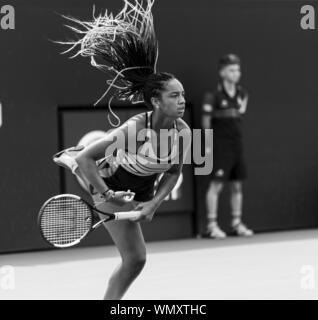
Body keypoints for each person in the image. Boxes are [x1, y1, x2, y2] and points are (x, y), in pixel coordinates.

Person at [53, 0, 191, 300]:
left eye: (183, 95)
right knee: (136, 258)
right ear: (156, 101)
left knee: (136, 261)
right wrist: (105, 194)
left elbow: (174, 171)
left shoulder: (183, 132)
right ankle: (71, 161)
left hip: (140, 188)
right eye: (174, 95)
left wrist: (154, 203)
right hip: (111, 182)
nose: (181, 101)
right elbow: (90, 157)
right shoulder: (134, 130)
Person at [202, 54, 253, 239]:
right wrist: (207, 146)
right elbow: (206, 121)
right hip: (219, 147)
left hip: (237, 145)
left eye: (238, 70)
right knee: (216, 186)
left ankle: (236, 223)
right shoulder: (212, 96)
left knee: (237, 186)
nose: (236, 73)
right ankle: (211, 225)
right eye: (232, 70)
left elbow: (239, 116)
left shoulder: (242, 94)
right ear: (222, 72)